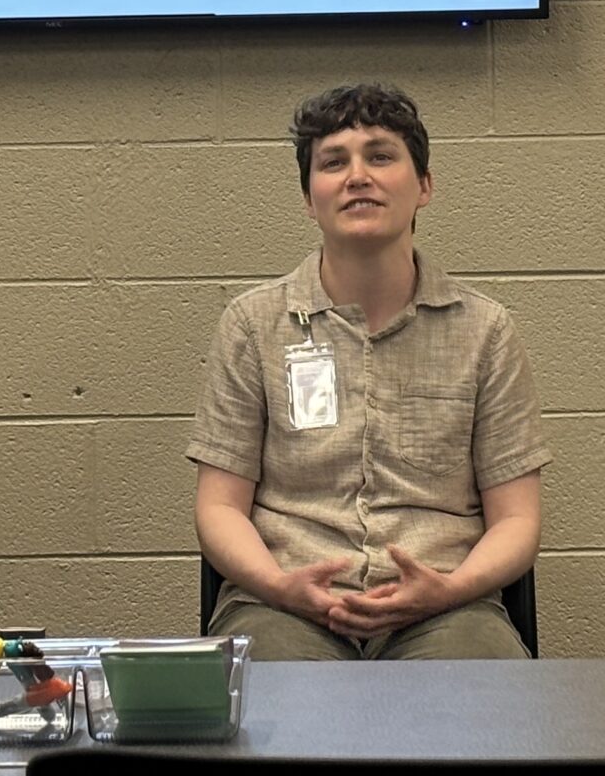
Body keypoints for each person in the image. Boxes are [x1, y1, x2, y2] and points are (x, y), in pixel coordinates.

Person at [187, 83, 549, 660]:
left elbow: (517, 520)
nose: (358, 176)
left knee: (488, 708)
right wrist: (279, 586)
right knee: (273, 707)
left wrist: (450, 590)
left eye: (381, 156)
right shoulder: (252, 325)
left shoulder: (486, 330)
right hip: (281, 603)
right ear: (310, 198)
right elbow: (219, 507)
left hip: (446, 609)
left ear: (424, 186)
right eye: (334, 162)